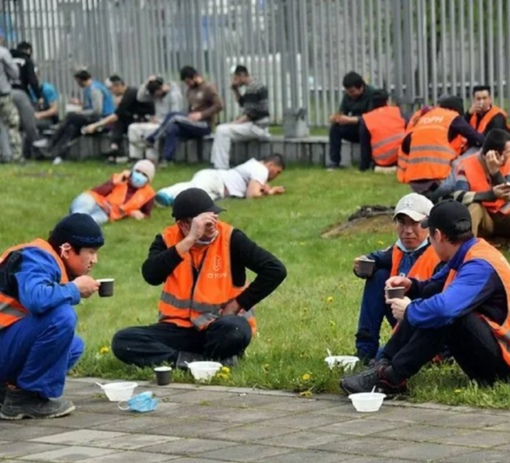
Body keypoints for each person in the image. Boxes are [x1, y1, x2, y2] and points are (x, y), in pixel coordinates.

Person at [341, 200, 510, 395]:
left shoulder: (479, 265)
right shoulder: (468, 252)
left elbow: (444, 310)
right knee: (434, 302)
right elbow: (432, 287)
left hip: (504, 367)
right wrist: (411, 286)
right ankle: (382, 365)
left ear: (437, 236)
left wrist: (409, 310)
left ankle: (392, 379)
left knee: (446, 317)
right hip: (493, 351)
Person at [111, 188, 287, 368]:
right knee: (123, 341)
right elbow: (151, 275)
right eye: (205, 222)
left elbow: (275, 270)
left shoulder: (231, 238)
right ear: (184, 225)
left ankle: (202, 359)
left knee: (234, 330)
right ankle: (190, 362)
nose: (213, 224)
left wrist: (236, 305)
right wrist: (189, 240)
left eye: (214, 217)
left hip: (218, 325)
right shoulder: (168, 239)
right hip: (178, 328)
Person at [0, 213, 104, 419]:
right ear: (66, 249)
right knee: (61, 317)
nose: (95, 260)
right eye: (90, 252)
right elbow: (37, 300)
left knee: (73, 347)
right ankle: (24, 399)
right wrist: (74, 289)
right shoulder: (36, 258)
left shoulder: (46, 259)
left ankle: (8, 392)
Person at [354, 193, 440, 362]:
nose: (407, 231)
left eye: (414, 223)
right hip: (402, 320)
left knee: (382, 360)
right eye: (402, 223)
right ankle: (365, 350)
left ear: (428, 225)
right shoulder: (397, 250)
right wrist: (360, 267)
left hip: (429, 326)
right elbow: (375, 258)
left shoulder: (439, 253)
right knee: (377, 275)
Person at [397, 96, 484, 197]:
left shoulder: (425, 117)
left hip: (414, 183)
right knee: (478, 150)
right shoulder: (452, 117)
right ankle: (462, 198)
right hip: (439, 182)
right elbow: (478, 139)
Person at [33, 69, 114, 165]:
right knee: (71, 128)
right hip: (98, 118)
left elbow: (97, 111)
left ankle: (51, 141)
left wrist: (80, 112)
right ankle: (59, 156)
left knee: (71, 116)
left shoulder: (94, 90)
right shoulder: (92, 88)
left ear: (80, 80)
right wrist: (81, 105)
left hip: (103, 120)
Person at [147, 66, 224, 164]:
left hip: (204, 124)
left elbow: (219, 105)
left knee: (174, 116)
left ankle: (152, 138)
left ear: (195, 77)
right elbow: (190, 108)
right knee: (173, 128)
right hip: (192, 123)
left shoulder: (208, 87)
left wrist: (202, 114)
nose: (187, 85)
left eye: (188, 82)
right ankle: (167, 159)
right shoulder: (190, 90)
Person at [155, 154, 285, 206]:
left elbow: (259, 186)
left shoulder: (255, 165)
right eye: (277, 172)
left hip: (219, 189)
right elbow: (252, 194)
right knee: (194, 189)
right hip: (216, 180)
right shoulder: (261, 170)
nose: (275, 176)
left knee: (198, 202)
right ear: (271, 165)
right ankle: (165, 192)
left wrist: (268, 190)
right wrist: (270, 193)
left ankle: (172, 201)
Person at [82, 75, 154, 163]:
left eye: (111, 88)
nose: (111, 92)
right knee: (120, 120)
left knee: (118, 120)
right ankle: (114, 148)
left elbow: (116, 115)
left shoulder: (130, 94)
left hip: (146, 120)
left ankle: (115, 149)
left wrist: (95, 126)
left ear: (118, 86)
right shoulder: (127, 94)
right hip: (136, 119)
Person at [453, 129, 510, 238]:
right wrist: (491, 195)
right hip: (485, 220)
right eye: (508, 152)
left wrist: (495, 173)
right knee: (474, 207)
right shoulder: (466, 165)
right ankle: (467, 247)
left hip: (506, 217)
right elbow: (458, 197)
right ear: (496, 155)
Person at [211, 65, 270, 169]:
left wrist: (233, 124)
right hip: (258, 125)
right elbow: (244, 104)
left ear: (242, 75)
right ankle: (217, 163)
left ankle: (220, 167)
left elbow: (250, 114)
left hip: (257, 127)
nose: (234, 81)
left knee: (222, 130)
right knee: (222, 129)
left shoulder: (252, 88)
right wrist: (235, 90)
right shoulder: (254, 86)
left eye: (235, 78)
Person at [70, 159, 156, 225]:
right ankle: (72, 222)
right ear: (132, 172)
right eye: (137, 171)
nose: (139, 176)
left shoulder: (149, 194)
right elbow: (97, 191)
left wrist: (134, 214)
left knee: (90, 223)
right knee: (83, 209)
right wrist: (114, 183)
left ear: (148, 180)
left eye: (144, 174)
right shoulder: (120, 178)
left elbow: (146, 214)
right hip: (94, 200)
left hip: (107, 213)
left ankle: (71, 225)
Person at [127, 75, 182, 162]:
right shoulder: (155, 94)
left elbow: (176, 115)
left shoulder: (174, 95)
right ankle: (135, 157)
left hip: (165, 124)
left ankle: (152, 158)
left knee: (152, 131)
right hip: (155, 122)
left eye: (157, 93)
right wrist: (146, 82)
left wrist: (160, 120)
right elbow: (140, 98)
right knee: (133, 128)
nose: (156, 96)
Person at [327, 71, 375, 170]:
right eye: (348, 91)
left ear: (361, 87)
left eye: (352, 91)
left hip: (369, 130)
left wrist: (350, 119)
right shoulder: (348, 95)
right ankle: (334, 162)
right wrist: (336, 117)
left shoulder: (372, 94)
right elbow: (342, 112)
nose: (350, 94)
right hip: (354, 129)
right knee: (335, 128)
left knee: (363, 127)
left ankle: (365, 164)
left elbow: (372, 118)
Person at [359, 89, 407, 172]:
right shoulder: (397, 112)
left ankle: (378, 168)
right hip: (401, 157)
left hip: (381, 161)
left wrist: (363, 167)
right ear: (387, 101)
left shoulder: (367, 118)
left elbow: (365, 146)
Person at [0, 27, 22, 163]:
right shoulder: (3, 52)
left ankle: (3, 155)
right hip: (3, 95)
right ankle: (16, 156)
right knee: (12, 124)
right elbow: (15, 73)